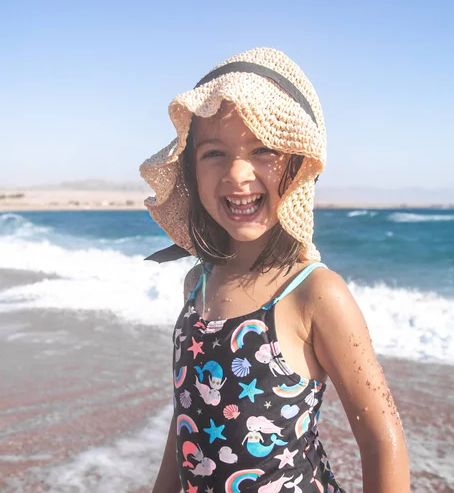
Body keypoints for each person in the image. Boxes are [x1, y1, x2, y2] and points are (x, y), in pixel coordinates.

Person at [140, 48, 410, 493]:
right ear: (190, 166)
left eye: (263, 149)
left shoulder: (314, 293)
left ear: (299, 164)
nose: (237, 174)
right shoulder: (198, 283)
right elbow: (189, 415)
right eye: (214, 153)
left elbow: (382, 440)